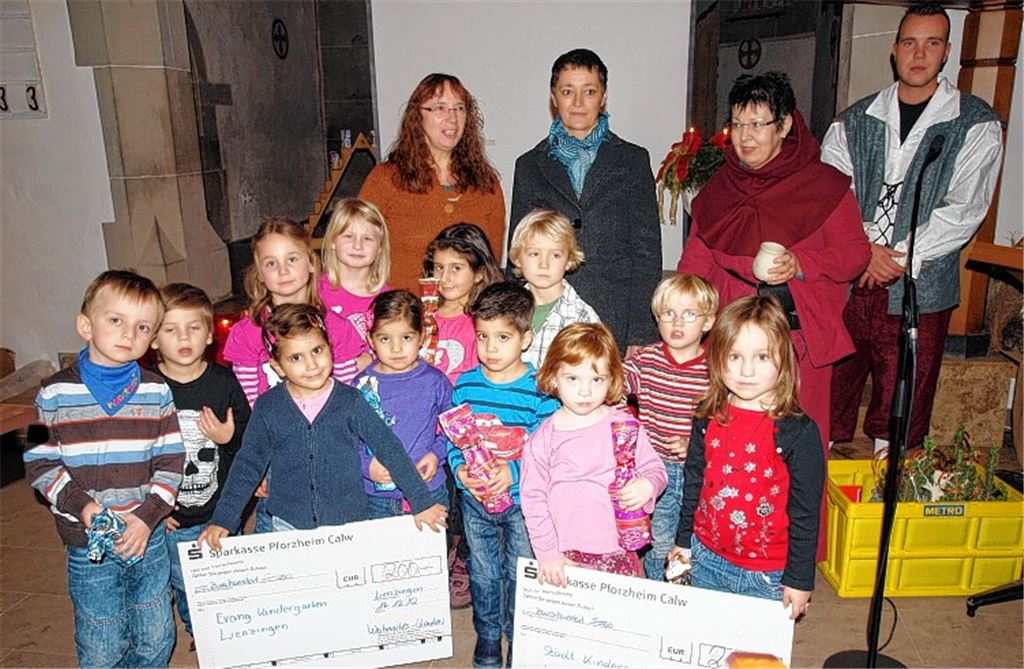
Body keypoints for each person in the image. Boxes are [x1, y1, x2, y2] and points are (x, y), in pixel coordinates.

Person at [677, 72, 869, 560]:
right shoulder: (721, 188)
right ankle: (726, 545)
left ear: (785, 125)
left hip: (796, 343)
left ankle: (794, 559)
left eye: (758, 123)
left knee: (795, 455)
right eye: (737, 124)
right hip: (735, 349)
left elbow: (854, 255)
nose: (745, 136)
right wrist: (681, 314)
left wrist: (803, 263)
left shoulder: (823, 185)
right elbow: (695, 262)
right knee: (733, 453)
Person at [821, 2, 1004, 453]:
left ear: (946, 52)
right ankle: (822, 513)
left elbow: (965, 208)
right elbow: (829, 194)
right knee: (825, 405)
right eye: (909, 43)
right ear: (894, 50)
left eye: (932, 43)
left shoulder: (976, 122)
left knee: (901, 410)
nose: (919, 55)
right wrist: (864, 250)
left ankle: (888, 504)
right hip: (848, 282)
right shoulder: (853, 119)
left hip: (921, 288)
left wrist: (896, 256)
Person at [24, 270, 185, 667]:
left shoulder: (157, 391)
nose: (128, 334)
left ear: (152, 338)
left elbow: (171, 461)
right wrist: (85, 508)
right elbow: (39, 461)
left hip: (144, 536)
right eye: (116, 320)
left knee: (156, 634)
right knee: (101, 637)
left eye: (143, 326)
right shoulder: (52, 392)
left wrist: (148, 517)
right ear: (85, 325)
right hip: (86, 542)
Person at [199, 304, 448, 546]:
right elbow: (247, 464)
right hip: (289, 526)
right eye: (296, 357)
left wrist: (420, 501)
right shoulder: (268, 407)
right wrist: (224, 518)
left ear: (330, 348)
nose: (311, 364)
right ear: (278, 366)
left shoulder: (351, 400)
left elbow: (389, 448)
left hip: (350, 525)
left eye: (317, 351)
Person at [668, 296, 825, 621]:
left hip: (767, 576)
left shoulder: (797, 431)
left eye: (762, 357)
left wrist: (799, 579)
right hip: (706, 559)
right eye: (734, 356)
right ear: (716, 357)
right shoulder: (706, 417)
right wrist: (683, 542)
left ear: (784, 359)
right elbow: (693, 484)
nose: (746, 371)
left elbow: (806, 513)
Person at [510, 48, 662, 354]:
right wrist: (511, 324)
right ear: (554, 97)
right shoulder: (529, 165)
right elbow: (517, 252)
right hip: (544, 318)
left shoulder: (632, 160)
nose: (578, 103)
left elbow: (646, 253)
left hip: (614, 318)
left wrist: (641, 333)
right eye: (568, 91)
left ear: (602, 96)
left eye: (588, 91)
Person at [223, 217, 369, 533]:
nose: (284, 270)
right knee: (276, 534)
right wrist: (260, 464)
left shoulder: (336, 329)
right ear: (259, 274)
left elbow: (345, 398)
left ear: (311, 263)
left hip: (332, 451)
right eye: (271, 263)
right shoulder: (249, 334)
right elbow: (251, 406)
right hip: (278, 452)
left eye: (292, 259)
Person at [447, 282, 560, 669]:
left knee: (519, 573)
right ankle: (489, 638)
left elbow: (546, 452)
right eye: (483, 336)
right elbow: (452, 441)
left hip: (522, 503)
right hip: (475, 502)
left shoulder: (541, 391)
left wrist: (511, 471)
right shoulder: (465, 385)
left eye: (503, 337)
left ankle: (519, 639)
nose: (491, 348)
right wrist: (460, 470)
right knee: (482, 574)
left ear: (526, 338)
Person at [522, 322, 667, 585]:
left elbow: (656, 470)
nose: (585, 391)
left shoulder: (624, 426)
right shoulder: (542, 439)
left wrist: (648, 485)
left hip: (618, 549)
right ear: (554, 377)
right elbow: (533, 501)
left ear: (612, 379)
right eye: (573, 378)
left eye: (597, 379)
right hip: (564, 554)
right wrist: (547, 554)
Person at [151, 283, 250, 646]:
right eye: (171, 329)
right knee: (184, 580)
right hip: (171, 517)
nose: (183, 337)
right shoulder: (147, 389)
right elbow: (136, 455)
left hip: (221, 510)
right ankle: (202, 633)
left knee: (226, 576)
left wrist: (228, 438)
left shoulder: (223, 382)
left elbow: (250, 443)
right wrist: (153, 508)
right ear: (152, 339)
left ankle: (229, 628)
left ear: (210, 334)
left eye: (193, 327)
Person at [359, 73, 505, 291]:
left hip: (467, 317)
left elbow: (489, 263)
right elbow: (358, 249)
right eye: (439, 108)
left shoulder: (486, 183)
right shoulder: (385, 179)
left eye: (459, 108)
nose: (452, 118)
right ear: (418, 116)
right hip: (403, 316)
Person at [623, 273, 718, 580]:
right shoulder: (645, 360)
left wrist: (698, 442)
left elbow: (730, 420)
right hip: (655, 471)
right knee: (660, 542)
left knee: (697, 540)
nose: (677, 323)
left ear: (708, 322)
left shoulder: (716, 369)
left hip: (701, 470)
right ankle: (657, 597)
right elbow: (611, 385)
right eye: (668, 314)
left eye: (689, 314)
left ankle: (694, 596)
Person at [357, 290, 452, 518]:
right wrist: (366, 465)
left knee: (432, 552)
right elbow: (346, 437)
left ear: (421, 337)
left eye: (406, 337)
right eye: (385, 338)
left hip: (428, 488)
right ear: (371, 340)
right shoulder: (360, 385)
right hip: (377, 497)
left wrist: (436, 454)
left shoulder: (435, 381)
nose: (396, 348)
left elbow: (455, 427)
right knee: (381, 554)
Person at [508, 208, 600, 368]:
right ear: (517, 259)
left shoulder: (582, 317)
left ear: (569, 260)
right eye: (534, 254)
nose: (544, 264)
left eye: (555, 255)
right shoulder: (505, 309)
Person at [423, 222, 503, 384]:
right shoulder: (423, 315)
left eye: (456, 268)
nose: (444, 278)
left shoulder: (485, 322)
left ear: (479, 274)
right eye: (439, 268)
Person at [319, 198, 392, 342]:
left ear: (379, 248)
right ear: (332, 241)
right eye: (348, 236)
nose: (358, 245)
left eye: (368, 238)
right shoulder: (315, 292)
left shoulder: (388, 300)